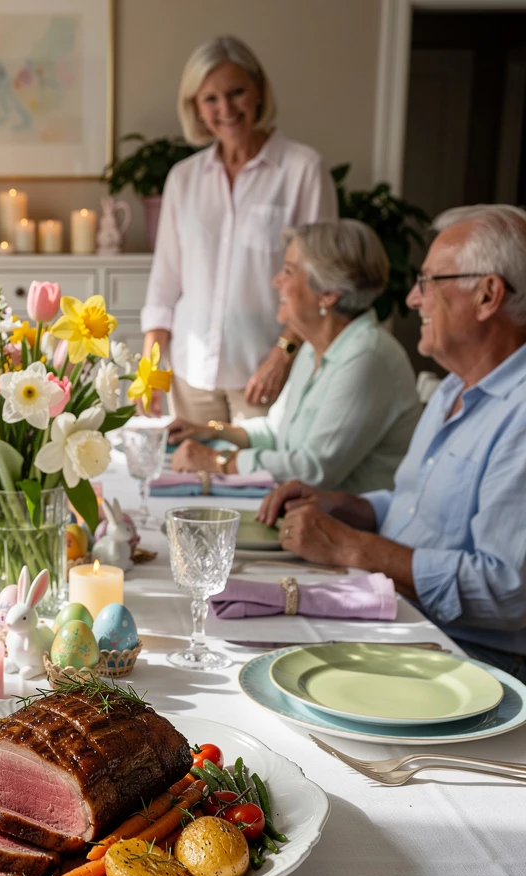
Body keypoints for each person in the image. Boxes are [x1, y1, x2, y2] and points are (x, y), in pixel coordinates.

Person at [257, 204, 526, 678]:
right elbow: (413, 507)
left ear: (487, 296)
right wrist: (347, 505)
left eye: (428, 282)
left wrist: (356, 549)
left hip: (475, 659)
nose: (413, 300)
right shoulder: (451, 390)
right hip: (404, 617)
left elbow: (507, 589)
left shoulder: (519, 413)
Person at [141, 35, 337, 425]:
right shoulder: (183, 178)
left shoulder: (303, 170)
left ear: (259, 92)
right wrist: (149, 373)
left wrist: (283, 355)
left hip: (264, 374)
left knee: (260, 484)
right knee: (187, 481)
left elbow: (319, 281)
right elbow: (165, 281)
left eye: (236, 92)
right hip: (190, 375)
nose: (225, 108)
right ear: (195, 106)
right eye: (210, 98)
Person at [169, 220, 421, 493]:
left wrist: (219, 460)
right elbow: (276, 431)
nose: (276, 281)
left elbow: (312, 470)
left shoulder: (367, 358)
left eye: (288, 272)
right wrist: (213, 430)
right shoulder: (314, 347)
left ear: (328, 294)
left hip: (347, 527)